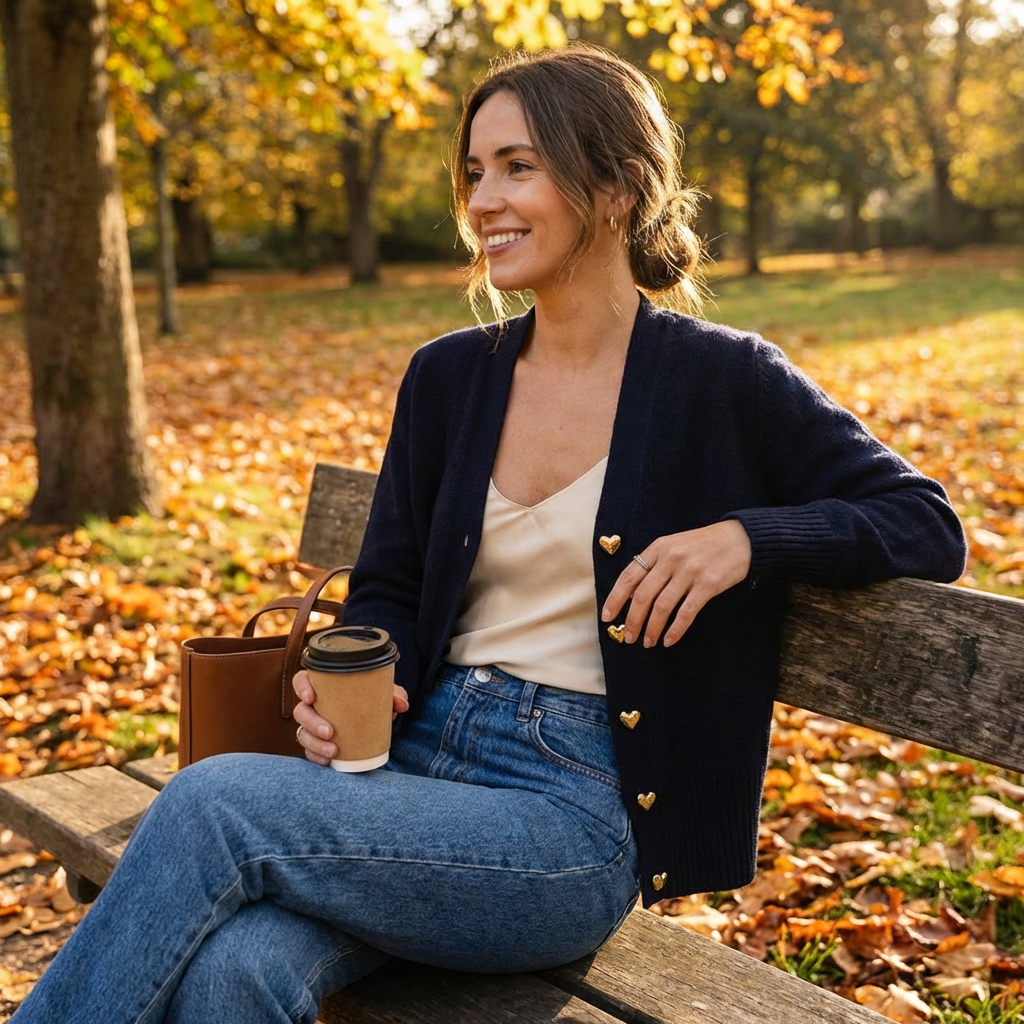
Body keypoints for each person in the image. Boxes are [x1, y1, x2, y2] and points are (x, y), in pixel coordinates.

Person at [12, 44, 966, 1024]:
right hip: (415, 766)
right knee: (233, 973)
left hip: (571, 819)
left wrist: (742, 540)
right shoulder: (448, 378)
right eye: (474, 171)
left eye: (518, 166)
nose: (482, 200)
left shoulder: (724, 380)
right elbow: (384, 583)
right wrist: (370, 677)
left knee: (215, 804)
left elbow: (924, 521)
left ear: (615, 190)